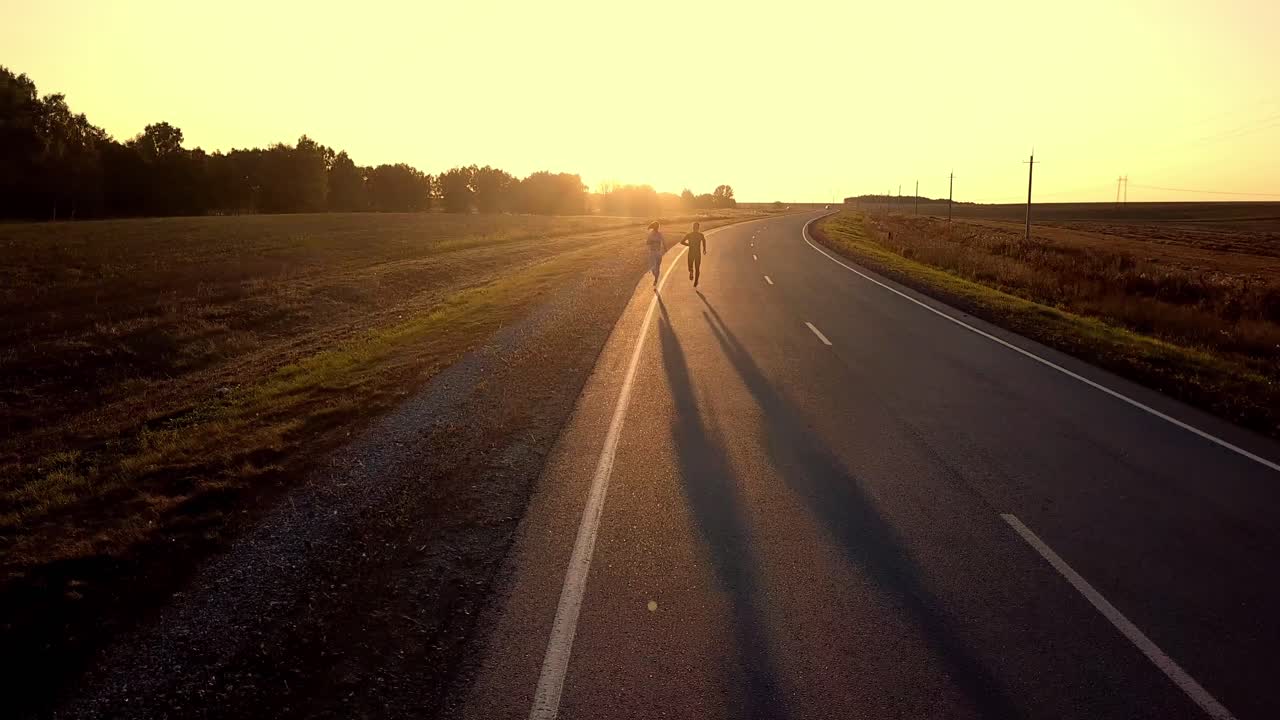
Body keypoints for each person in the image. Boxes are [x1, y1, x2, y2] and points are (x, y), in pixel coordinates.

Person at [680, 221, 707, 287]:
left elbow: (682, 242)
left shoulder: (689, 235)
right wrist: (704, 249)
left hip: (691, 253)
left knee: (690, 266)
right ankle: (696, 281)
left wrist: (688, 244)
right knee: (697, 268)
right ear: (698, 228)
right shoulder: (700, 235)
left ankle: (691, 271)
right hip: (698, 253)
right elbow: (704, 241)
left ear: (693, 227)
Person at [645, 221, 665, 288]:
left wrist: (666, 249)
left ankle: (656, 279)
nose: (657, 228)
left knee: (658, 266)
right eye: (656, 226)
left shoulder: (660, 234)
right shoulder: (650, 234)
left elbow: (664, 242)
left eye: (657, 227)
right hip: (652, 252)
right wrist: (652, 242)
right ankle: (655, 276)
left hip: (659, 253)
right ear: (654, 227)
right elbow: (647, 242)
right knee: (653, 268)